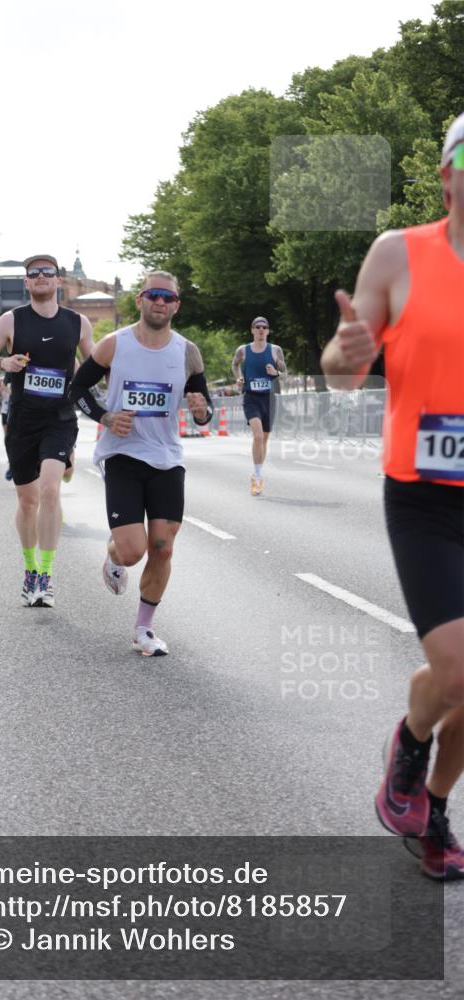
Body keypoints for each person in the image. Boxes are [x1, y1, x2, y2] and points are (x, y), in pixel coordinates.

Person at [320, 112, 464, 881]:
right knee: (460, 669)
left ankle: (432, 807)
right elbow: (342, 374)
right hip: (426, 496)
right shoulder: (399, 253)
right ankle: (407, 746)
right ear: (445, 174)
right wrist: (346, 356)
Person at [69, 270, 213, 656]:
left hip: (167, 458)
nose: (160, 302)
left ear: (176, 305)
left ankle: (144, 631)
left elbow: (203, 407)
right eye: (153, 295)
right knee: (133, 551)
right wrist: (104, 417)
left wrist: (202, 412)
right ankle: (113, 555)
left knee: (163, 547)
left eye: (168, 298)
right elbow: (77, 389)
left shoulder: (187, 352)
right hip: (122, 454)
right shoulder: (114, 345)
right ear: (140, 300)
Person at [0, 254, 94, 608]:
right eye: (34, 273)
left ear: (58, 281)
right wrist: (3, 363)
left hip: (59, 417)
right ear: (26, 282)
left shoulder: (78, 322)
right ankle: (29, 569)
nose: (41, 277)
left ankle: (46, 576)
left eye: (48, 273)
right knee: (27, 501)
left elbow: (96, 365)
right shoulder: (11, 320)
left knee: (50, 491)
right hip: (23, 420)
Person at [231, 318, 286, 495]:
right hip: (251, 397)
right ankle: (258, 476)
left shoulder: (276, 350)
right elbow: (235, 364)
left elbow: (284, 375)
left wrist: (276, 372)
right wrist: (238, 378)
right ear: (252, 330)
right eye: (258, 327)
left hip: (269, 398)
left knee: (265, 437)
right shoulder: (243, 350)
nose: (261, 330)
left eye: (264, 327)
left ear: (268, 331)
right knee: (258, 437)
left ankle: (257, 472)